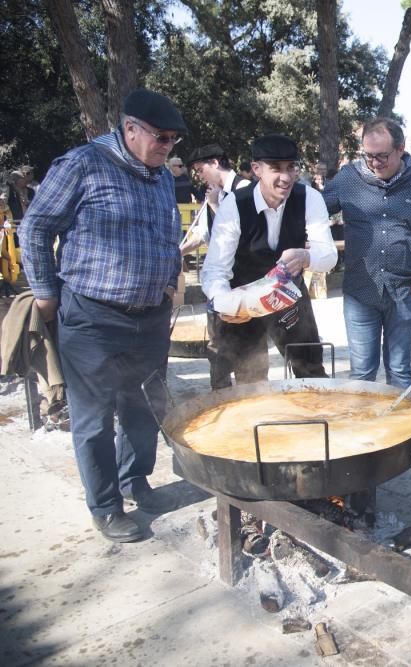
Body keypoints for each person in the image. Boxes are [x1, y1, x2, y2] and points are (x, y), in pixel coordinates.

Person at [18, 89, 188, 542]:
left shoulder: (161, 177)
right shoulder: (82, 164)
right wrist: (45, 292)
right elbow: (35, 226)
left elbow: (167, 235)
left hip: (149, 317)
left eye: (173, 140)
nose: (167, 147)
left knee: (142, 407)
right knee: (93, 417)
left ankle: (137, 482)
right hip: (93, 317)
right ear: (130, 128)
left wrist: (170, 281)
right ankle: (106, 506)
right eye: (161, 137)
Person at [323, 118, 411, 388]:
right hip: (360, 292)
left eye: (382, 156)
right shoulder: (348, 178)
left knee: (399, 372)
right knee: (361, 374)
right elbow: (313, 214)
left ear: (401, 149)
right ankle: (364, 430)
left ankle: (404, 432)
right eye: (368, 156)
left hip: (406, 292)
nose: (374, 163)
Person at [201, 134, 337, 384]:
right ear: (257, 169)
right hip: (243, 300)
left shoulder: (309, 198)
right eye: (276, 168)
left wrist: (306, 256)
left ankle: (314, 419)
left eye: (291, 168)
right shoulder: (234, 205)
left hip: (289, 296)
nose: (285, 177)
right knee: (249, 377)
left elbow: (328, 255)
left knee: (310, 368)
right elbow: (215, 269)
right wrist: (223, 302)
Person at [183, 143, 253, 390]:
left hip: (244, 284)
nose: (199, 176)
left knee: (248, 349)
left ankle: (251, 399)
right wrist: (178, 252)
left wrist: (215, 206)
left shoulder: (246, 189)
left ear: (214, 163)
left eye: (200, 169)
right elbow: (203, 235)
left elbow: (246, 233)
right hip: (218, 285)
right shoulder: (211, 194)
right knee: (218, 348)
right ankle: (221, 397)